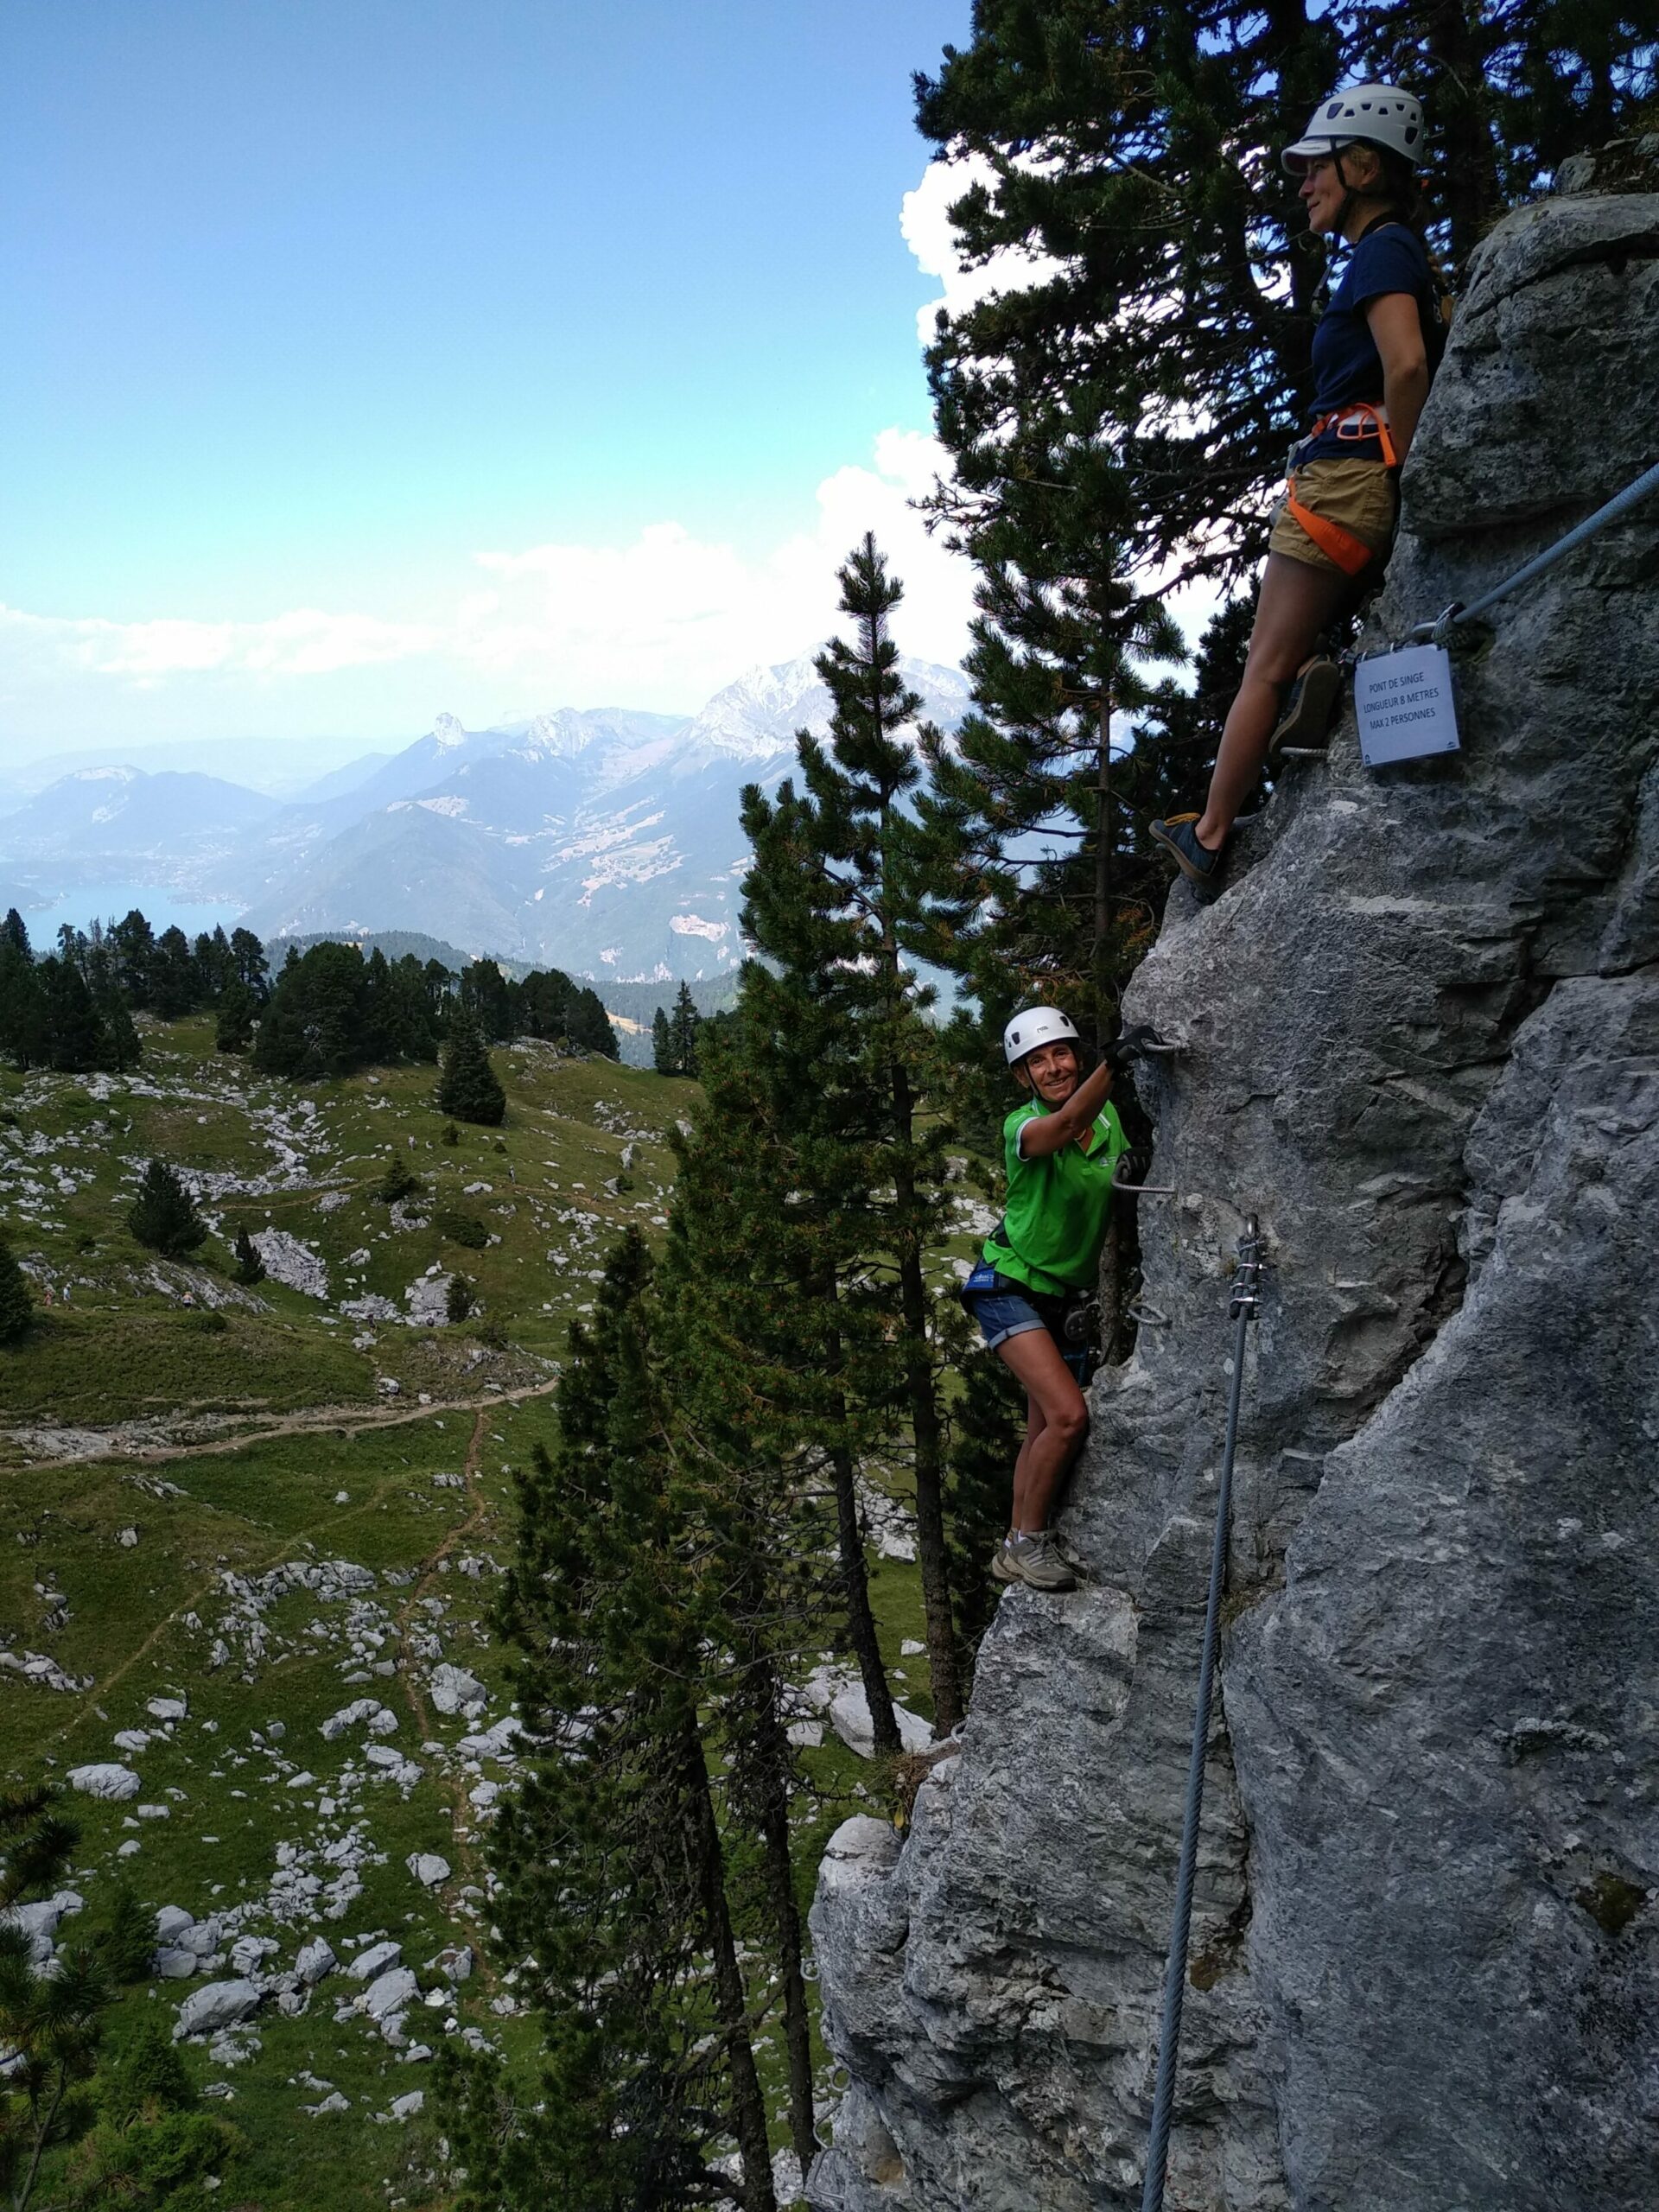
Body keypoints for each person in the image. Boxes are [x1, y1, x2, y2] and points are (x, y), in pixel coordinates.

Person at [1151, 83, 1442, 903]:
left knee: (1264, 667)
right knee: (1284, 661)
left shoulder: (1383, 250)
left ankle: (1207, 836)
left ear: (1364, 166)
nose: (1305, 184)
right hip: (1356, 483)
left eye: (1317, 168)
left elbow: (1408, 365)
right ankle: (1321, 682)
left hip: (1343, 482)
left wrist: (1412, 474)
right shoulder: (1391, 250)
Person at [960, 1007, 1129, 1592]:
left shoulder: (1108, 1120)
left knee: (1040, 1429)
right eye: (1038, 1060)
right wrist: (1117, 1061)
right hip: (1010, 1285)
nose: (1054, 1067)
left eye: (1061, 1053)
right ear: (1022, 1078)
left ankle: (1013, 1545)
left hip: (1063, 1296)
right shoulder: (1024, 1128)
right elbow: (1062, 1127)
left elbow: (1104, 1160)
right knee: (1067, 1416)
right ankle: (1031, 1542)